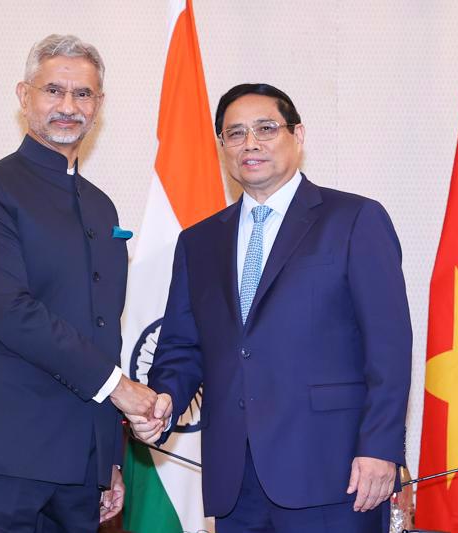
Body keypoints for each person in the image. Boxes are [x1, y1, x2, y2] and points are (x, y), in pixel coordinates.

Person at [128, 83, 412, 533]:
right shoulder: (200, 242)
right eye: (235, 134)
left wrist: (380, 447)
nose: (251, 143)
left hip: (334, 472)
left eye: (266, 128)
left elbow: (389, 347)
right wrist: (163, 400)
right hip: (234, 480)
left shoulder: (354, 219)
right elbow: (183, 348)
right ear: (222, 146)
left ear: (297, 135)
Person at [0, 34, 157, 533]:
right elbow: (12, 313)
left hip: (78, 464)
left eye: (83, 94)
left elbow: (100, 331)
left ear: (99, 105)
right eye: (54, 91)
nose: (68, 106)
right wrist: (121, 389)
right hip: (0, 453)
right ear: (25, 96)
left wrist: (107, 458)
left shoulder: (101, 206)